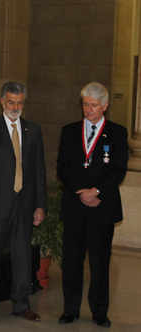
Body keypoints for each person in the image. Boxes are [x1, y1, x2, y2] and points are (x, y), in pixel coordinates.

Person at [56, 82, 128, 328]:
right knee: (72, 262)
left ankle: (99, 311)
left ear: (105, 106)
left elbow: (118, 170)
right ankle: (70, 309)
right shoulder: (69, 131)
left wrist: (95, 191)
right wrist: (82, 193)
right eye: (85, 104)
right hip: (76, 205)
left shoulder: (117, 133)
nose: (89, 110)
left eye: (94, 105)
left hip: (102, 206)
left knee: (99, 262)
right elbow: (63, 167)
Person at [0, 82, 47, 323]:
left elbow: (39, 170)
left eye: (19, 103)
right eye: (11, 102)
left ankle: (21, 303)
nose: (15, 107)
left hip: (25, 204)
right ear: (1, 102)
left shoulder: (33, 130)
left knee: (22, 256)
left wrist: (40, 204)